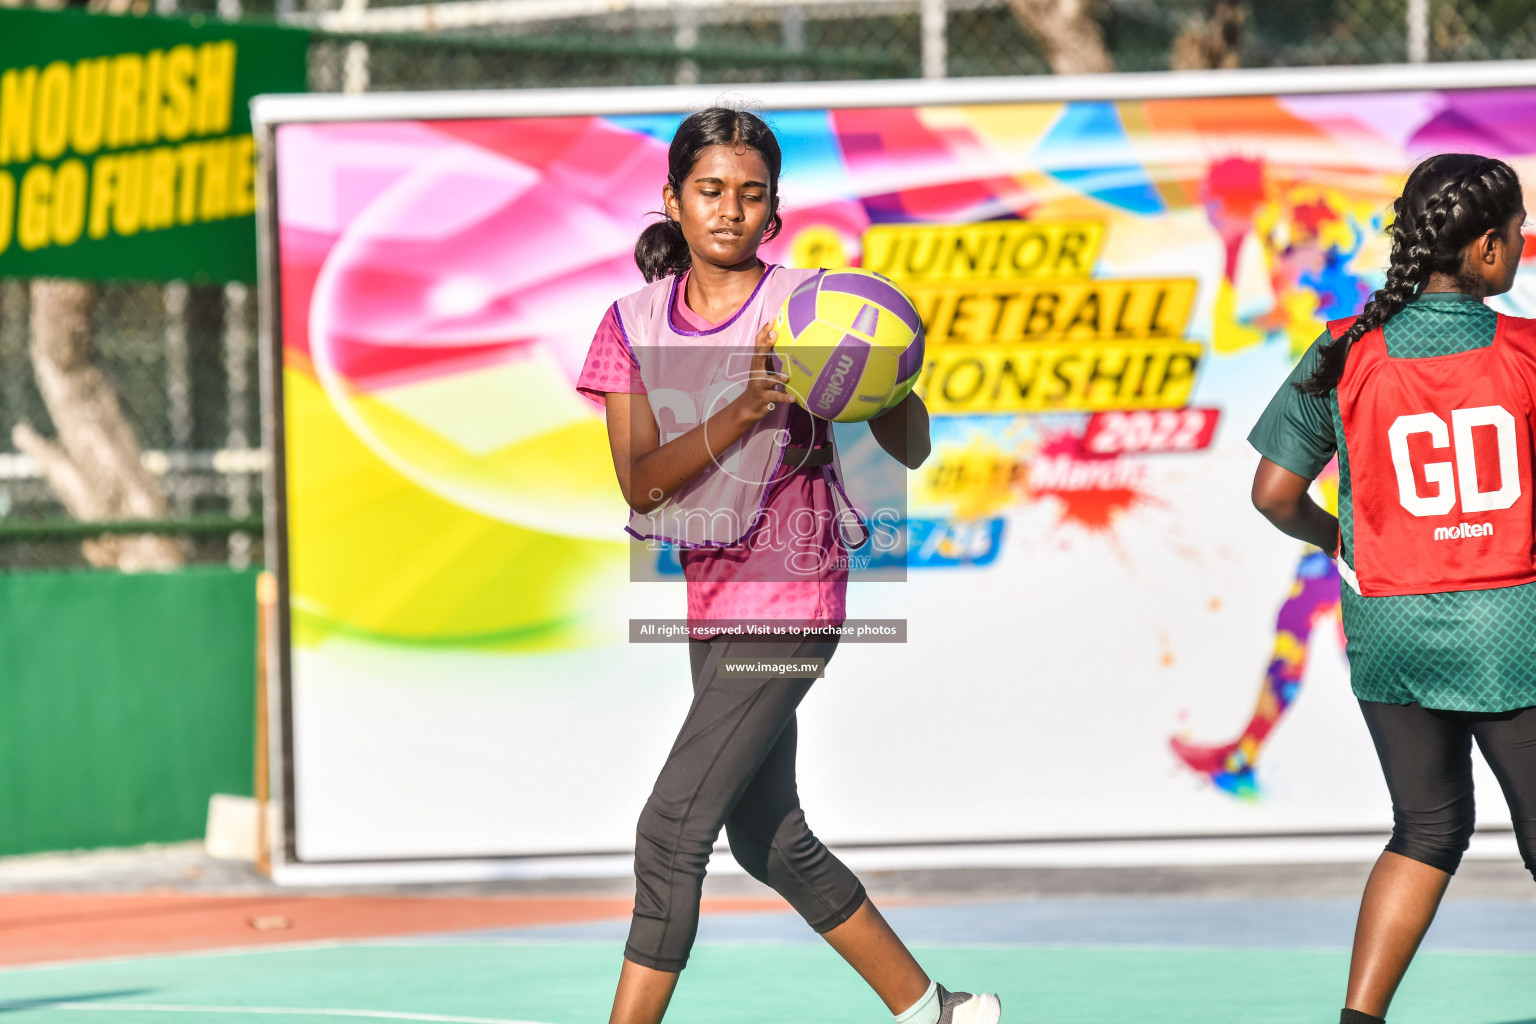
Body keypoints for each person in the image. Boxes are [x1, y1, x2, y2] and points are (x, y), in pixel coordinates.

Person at [575, 107, 1002, 1024]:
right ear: (673, 201)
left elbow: (911, 445)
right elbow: (644, 486)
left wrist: (883, 370)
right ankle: (937, 1010)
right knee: (767, 836)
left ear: (775, 211)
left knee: (672, 830)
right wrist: (740, 408)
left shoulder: (815, 305)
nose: (730, 209)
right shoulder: (630, 324)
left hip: (795, 601)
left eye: (751, 193)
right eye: (710, 190)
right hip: (711, 598)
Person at [1246, 152, 1536, 1024]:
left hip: (1390, 626)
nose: (1523, 245)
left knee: (1427, 831)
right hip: (1510, 626)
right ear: (1487, 249)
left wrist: (1350, 542)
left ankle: (1359, 1019)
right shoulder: (1523, 350)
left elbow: (1272, 494)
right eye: (1518, 232)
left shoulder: (1344, 350)